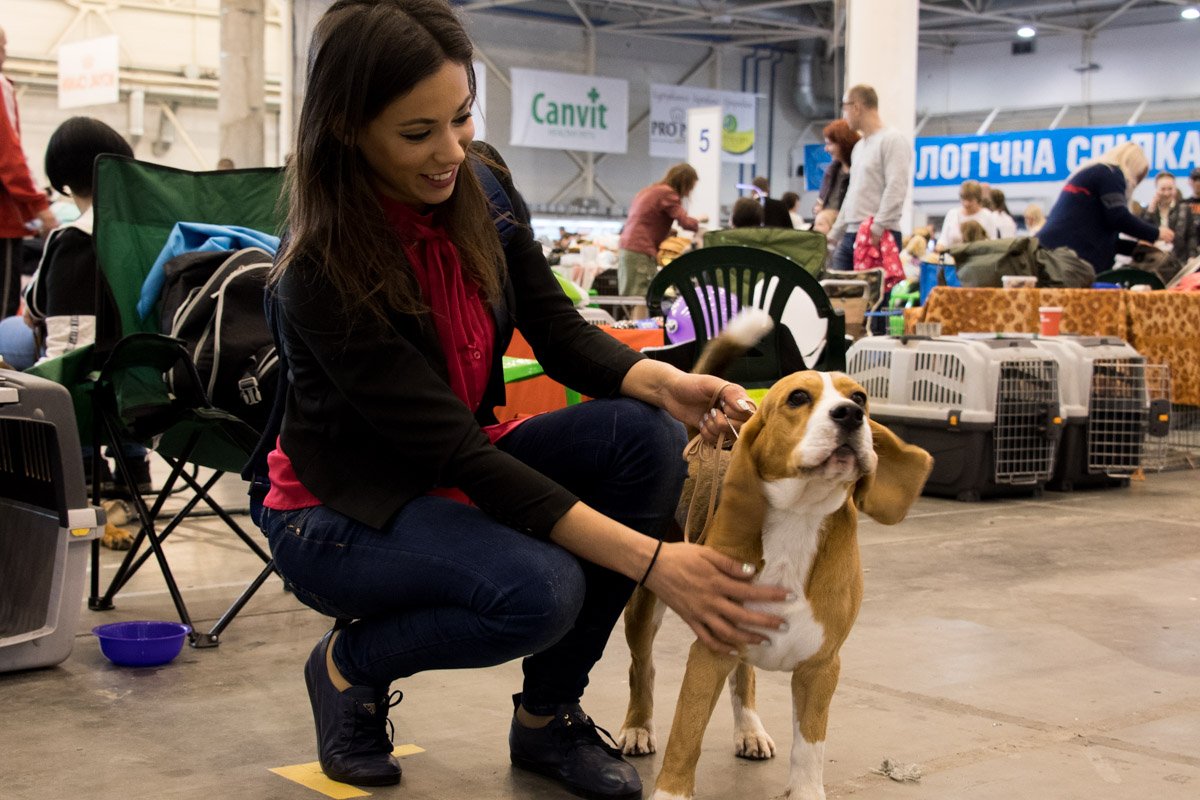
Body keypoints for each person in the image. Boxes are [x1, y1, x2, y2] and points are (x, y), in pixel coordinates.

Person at [261, 1, 787, 796]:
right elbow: (459, 452)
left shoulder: (484, 187)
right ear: (346, 130)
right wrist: (657, 564)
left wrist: (670, 384)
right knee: (539, 592)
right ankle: (348, 667)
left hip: (451, 474)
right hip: (340, 514)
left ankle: (548, 719)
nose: (451, 151)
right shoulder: (319, 271)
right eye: (417, 133)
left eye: (462, 118)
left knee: (643, 437)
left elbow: (558, 330)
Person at [13, 116, 151, 500]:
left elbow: (45, 314)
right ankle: (134, 463)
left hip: (89, 389)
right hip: (149, 384)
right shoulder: (143, 231)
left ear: (64, 181)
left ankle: (88, 462)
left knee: (26, 344)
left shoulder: (72, 237)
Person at [1037, 142, 1173, 274]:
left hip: (1051, 251)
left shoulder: (1093, 173)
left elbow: (1100, 235)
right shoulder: (1111, 174)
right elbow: (1118, 217)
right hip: (1067, 258)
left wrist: (1135, 248)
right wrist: (1156, 233)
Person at [1, 25, 58, 317]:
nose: (6, 53)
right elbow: (9, 154)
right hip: (2, 221)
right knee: (3, 312)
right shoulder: (1, 85)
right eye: (4, 46)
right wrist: (40, 207)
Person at [829, 84, 912, 271]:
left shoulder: (892, 140)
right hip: (852, 233)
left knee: (873, 299)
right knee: (837, 294)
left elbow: (896, 186)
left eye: (845, 108)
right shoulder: (859, 147)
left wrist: (878, 227)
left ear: (856, 107)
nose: (844, 115)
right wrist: (835, 232)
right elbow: (852, 193)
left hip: (878, 234)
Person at [618, 162, 704, 318]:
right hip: (640, 250)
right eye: (690, 187)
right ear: (685, 182)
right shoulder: (668, 194)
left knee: (635, 298)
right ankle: (640, 337)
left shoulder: (650, 190)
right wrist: (701, 223)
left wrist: (669, 231)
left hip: (628, 247)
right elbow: (685, 221)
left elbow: (647, 220)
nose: (689, 192)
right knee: (641, 297)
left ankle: (636, 331)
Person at [1139, 171, 1195, 261]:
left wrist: (1192, 257)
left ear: (1175, 189)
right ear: (1156, 189)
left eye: (1170, 189)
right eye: (1163, 189)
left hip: (1178, 259)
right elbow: (1141, 232)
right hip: (1153, 259)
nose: (1166, 193)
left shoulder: (1184, 209)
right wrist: (1151, 210)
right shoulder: (1148, 210)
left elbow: (1192, 235)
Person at [812, 118, 859, 216]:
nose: (826, 149)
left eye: (829, 144)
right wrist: (818, 208)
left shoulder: (860, 171)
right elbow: (820, 202)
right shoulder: (830, 172)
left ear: (843, 143)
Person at [938, 180, 1000, 249]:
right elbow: (943, 240)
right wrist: (939, 247)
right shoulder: (952, 214)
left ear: (978, 198)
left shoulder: (987, 216)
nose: (966, 203)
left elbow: (993, 242)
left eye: (970, 200)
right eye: (963, 199)